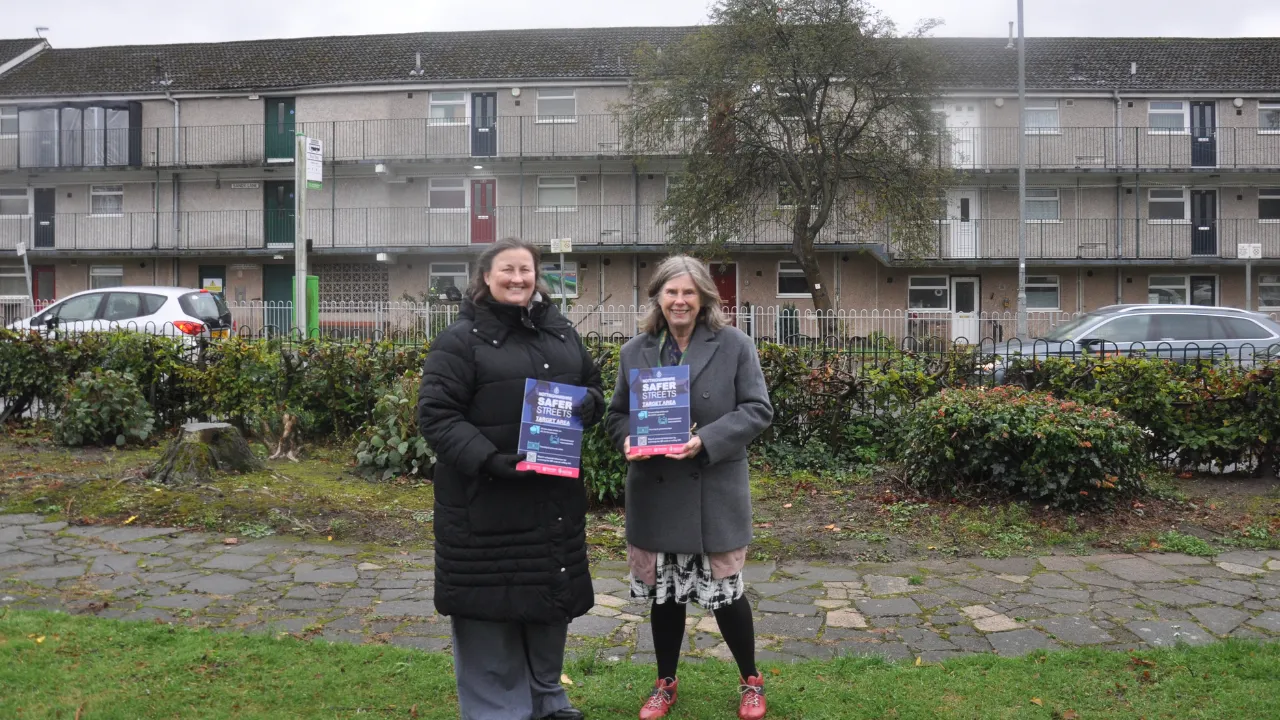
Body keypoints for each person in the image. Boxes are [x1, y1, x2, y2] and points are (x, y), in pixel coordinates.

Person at [417, 237, 605, 720]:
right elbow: (437, 417)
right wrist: (491, 460)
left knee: (547, 604)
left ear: (536, 275)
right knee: (489, 611)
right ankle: (498, 710)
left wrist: (592, 403)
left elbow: (590, 383)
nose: (518, 279)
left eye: (526, 270)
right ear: (486, 277)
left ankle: (547, 698)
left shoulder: (560, 331)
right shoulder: (460, 341)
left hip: (551, 500)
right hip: (485, 502)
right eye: (507, 270)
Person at [604, 255, 775, 720]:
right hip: (656, 492)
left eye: (689, 292)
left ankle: (751, 681)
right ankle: (665, 683)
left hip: (712, 490)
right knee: (665, 595)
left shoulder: (735, 344)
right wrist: (628, 439)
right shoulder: (634, 351)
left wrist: (706, 440)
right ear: (658, 297)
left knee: (727, 595)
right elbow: (616, 414)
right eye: (671, 292)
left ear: (704, 298)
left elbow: (758, 410)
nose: (679, 301)